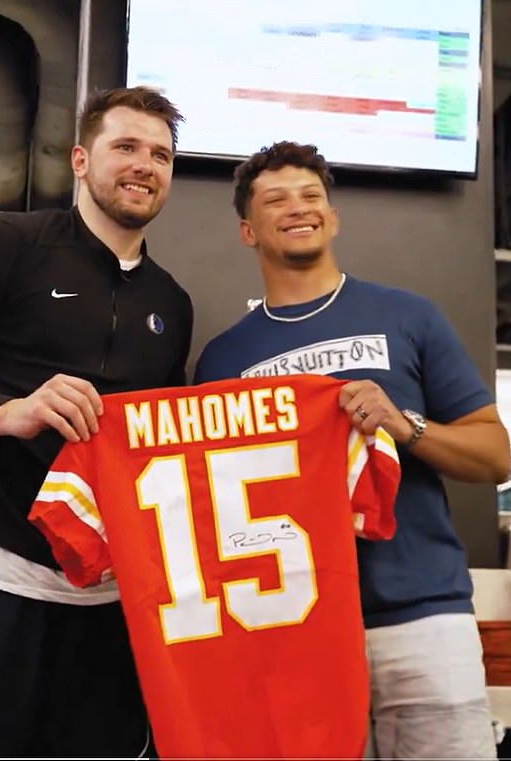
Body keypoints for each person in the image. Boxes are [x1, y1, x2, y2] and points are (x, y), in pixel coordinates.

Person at [0, 86, 193, 758]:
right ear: (81, 159)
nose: (144, 164)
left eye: (160, 154)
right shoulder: (9, 244)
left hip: (109, 592)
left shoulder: (172, 301)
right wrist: (4, 411)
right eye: (126, 147)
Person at [194, 141, 511, 760]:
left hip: (422, 614)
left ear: (332, 217)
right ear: (246, 230)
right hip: (291, 628)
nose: (298, 208)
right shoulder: (222, 361)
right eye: (275, 199)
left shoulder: (409, 317)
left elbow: (496, 455)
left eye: (312, 196)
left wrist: (403, 424)